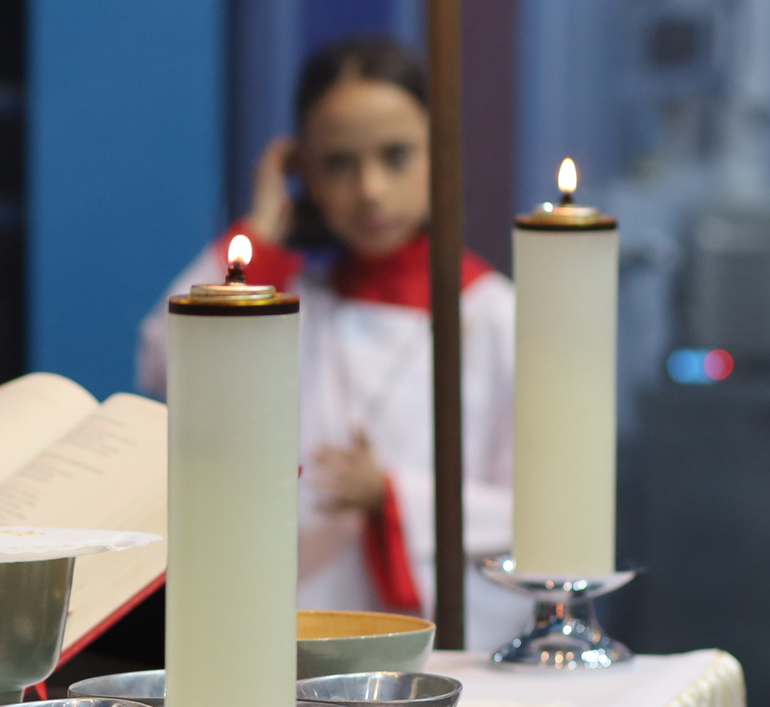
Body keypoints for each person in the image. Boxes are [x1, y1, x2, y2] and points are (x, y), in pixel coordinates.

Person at [137, 37, 520, 649]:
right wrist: (262, 228)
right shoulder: (294, 307)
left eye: (396, 156)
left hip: (428, 639)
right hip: (287, 631)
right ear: (303, 174)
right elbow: (164, 357)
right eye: (338, 164)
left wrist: (392, 497)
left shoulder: (496, 317)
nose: (370, 190)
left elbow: (529, 517)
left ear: (440, 155)